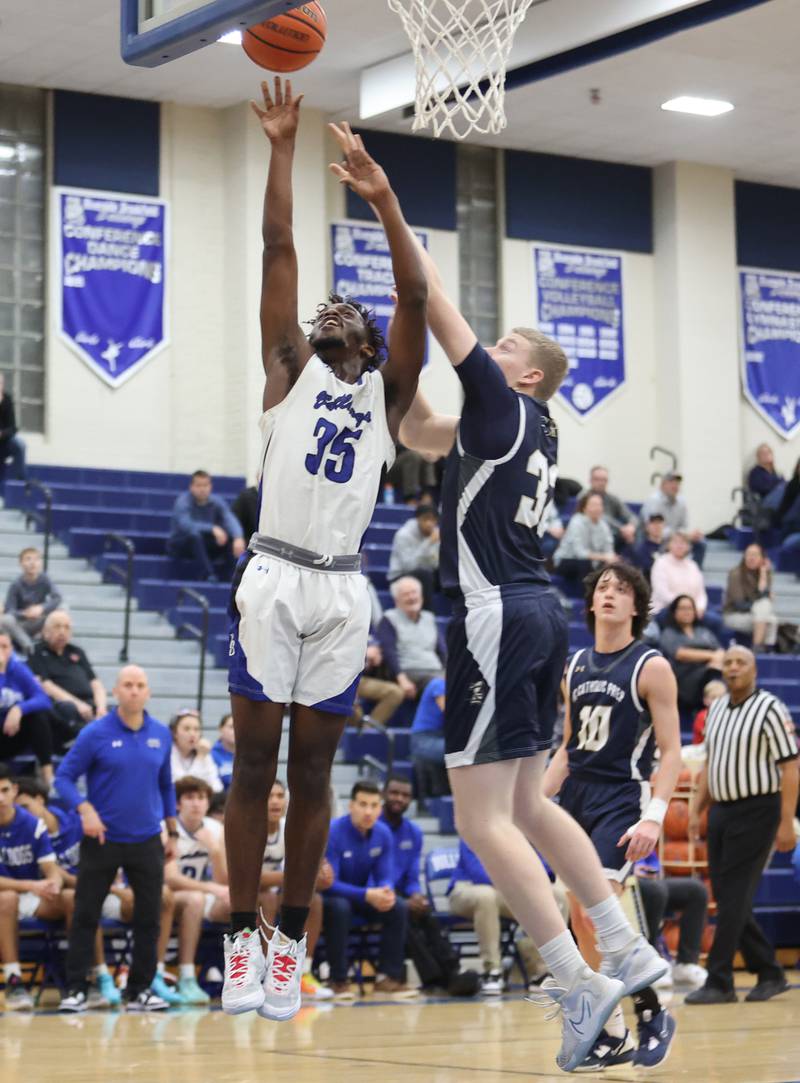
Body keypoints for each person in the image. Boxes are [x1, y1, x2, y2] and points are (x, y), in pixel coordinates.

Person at [397, 230, 664, 1074]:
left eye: (504, 345)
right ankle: (623, 944)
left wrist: (385, 205)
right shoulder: (523, 429)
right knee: (528, 807)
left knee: (482, 819)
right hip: (540, 611)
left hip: (493, 613)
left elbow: (437, 304)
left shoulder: (506, 402)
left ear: (527, 374)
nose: (492, 347)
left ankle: (575, 977)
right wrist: (377, 373)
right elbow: (416, 428)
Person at [222, 80, 427, 1024]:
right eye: (324, 306)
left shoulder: (387, 397)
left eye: (349, 306)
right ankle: (237, 939)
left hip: (344, 592)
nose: (332, 307)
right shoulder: (288, 368)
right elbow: (278, 250)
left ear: (371, 339)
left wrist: (383, 199)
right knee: (254, 767)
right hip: (274, 569)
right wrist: (280, 146)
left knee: (311, 776)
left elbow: (415, 289)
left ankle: (289, 943)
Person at [544, 563, 682, 1069]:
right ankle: (612, 1032)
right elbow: (567, 748)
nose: (609, 595)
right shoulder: (574, 665)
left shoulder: (652, 666)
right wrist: (531, 804)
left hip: (622, 797)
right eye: (602, 587)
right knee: (581, 918)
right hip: (576, 798)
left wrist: (655, 817)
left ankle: (653, 1012)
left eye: (621, 590)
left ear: (636, 607)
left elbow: (671, 752)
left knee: (597, 910)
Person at [55, 665, 177, 1013]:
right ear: (115, 691)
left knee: (149, 917)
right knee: (85, 914)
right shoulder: (95, 733)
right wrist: (84, 809)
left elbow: (166, 784)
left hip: (148, 840)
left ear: (148, 693)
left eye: (140, 685)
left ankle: (139, 990)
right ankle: (77, 989)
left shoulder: (160, 734)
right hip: (103, 839)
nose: (135, 691)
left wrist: (171, 830)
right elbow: (63, 779)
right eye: (128, 685)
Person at [686, 646, 798, 1004]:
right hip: (721, 811)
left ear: (754, 670)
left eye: (741, 663)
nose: (733, 668)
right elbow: (709, 765)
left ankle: (719, 980)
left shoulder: (770, 709)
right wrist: (694, 810)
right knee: (729, 896)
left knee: (734, 896)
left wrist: (786, 822)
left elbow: (791, 768)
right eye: (729, 663)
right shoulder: (715, 710)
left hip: (758, 810)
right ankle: (769, 971)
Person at [13, 775, 124, 1008]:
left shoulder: (77, 822)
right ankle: (95, 975)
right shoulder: (26, 831)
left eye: (25, 806)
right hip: (64, 895)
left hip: (102, 886)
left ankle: (152, 976)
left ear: (40, 799)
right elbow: (54, 878)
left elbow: (106, 860)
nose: (22, 813)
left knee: (157, 899)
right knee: (79, 899)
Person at [380, 775, 479, 997]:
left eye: (405, 795)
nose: (399, 799)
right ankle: (433, 979)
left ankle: (453, 971)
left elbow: (413, 875)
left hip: (401, 893)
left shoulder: (413, 832)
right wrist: (405, 900)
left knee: (427, 914)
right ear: (383, 795)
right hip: (377, 892)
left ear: (411, 800)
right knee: (404, 913)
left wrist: (416, 894)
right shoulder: (373, 826)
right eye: (394, 793)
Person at [322, 780, 416, 1000]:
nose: (368, 811)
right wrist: (367, 894)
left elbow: (385, 875)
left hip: (362, 897)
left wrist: (386, 891)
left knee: (398, 906)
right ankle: (338, 980)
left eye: (374, 806)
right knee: (340, 907)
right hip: (331, 899)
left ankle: (387, 978)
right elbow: (329, 884)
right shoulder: (334, 832)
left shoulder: (382, 833)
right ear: (351, 806)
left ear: (380, 809)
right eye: (363, 804)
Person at [447, 838, 569, 995]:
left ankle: (543, 971)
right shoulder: (474, 824)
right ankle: (492, 971)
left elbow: (546, 869)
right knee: (486, 896)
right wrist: (517, 881)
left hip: (511, 888)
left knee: (556, 895)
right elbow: (476, 872)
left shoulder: (520, 829)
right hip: (469, 887)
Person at [0, 763, 69, 1009]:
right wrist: (31, 884)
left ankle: (84, 979)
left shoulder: (32, 825)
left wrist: (53, 884)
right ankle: (13, 980)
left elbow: (52, 870)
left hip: (30, 896)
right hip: (7, 897)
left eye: (4, 790)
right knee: (6, 898)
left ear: (14, 790)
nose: (0, 798)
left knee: (72, 898)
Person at [259, 779, 333, 1002]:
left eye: (280, 796)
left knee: (315, 900)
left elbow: (318, 874)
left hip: (278, 893)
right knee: (268, 898)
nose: (275, 801)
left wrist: (321, 873)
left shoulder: (290, 827)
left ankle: (303, 971)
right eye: (269, 796)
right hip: (246, 897)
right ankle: (266, 972)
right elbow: (252, 878)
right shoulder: (249, 826)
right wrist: (302, 875)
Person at [161, 776, 229, 1005]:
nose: (196, 803)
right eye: (189, 798)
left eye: (201, 798)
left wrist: (216, 852)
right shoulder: (167, 828)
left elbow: (224, 881)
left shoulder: (216, 829)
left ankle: (239, 972)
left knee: (237, 904)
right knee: (195, 899)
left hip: (202, 895)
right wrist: (209, 887)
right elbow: (170, 878)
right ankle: (187, 975)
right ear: (178, 804)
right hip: (172, 896)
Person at [30, 610, 108, 746]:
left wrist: (101, 707)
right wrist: (78, 704)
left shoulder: (77, 651)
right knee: (68, 709)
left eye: (66, 627)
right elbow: (46, 686)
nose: (62, 631)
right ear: (45, 631)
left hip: (89, 704)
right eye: (57, 626)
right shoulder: (37, 651)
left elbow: (95, 683)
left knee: (118, 711)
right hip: (63, 706)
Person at [634, 851, 708, 990]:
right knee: (655, 891)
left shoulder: (638, 831)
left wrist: (654, 871)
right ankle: (650, 966)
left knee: (696, 890)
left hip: (647, 881)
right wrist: (631, 872)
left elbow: (651, 859)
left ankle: (686, 964)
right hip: (617, 880)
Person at [167, 470, 245, 582]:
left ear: (210, 486)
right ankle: (208, 575)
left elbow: (229, 519)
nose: (202, 489)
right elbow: (186, 525)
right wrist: (212, 528)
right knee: (194, 535)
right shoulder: (182, 502)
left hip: (203, 545)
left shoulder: (217, 502)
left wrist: (238, 537)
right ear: (191, 487)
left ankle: (233, 577)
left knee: (229, 538)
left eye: (205, 485)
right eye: (198, 485)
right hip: (181, 545)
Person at [375, 576, 445, 700]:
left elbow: (442, 651)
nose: (411, 597)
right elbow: (389, 652)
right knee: (440, 685)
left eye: (414, 593)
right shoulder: (389, 619)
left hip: (436, 670)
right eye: (406, 594)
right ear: (396, 600)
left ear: (421, 596)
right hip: (409, 671)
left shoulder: (429, 618)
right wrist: (402, 679)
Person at [0, 630, 54, 786]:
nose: (1, 651)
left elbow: (43, 699)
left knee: (38, 717)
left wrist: (18, 709)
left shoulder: (18, 669)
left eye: (5, 646)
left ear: (11, 649)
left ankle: (48, 779)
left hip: (11, 734)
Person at [659, 596, 724, 713]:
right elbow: (680, 654)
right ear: (674, 612)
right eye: (682, 608)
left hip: (708, 672)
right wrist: (711, 656)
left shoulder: (703, 631)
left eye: (690, 608)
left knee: (720, 666)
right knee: (714, 667)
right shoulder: (669, 633)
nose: (687, 612)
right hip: (683, 679)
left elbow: (720, 652)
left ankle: (715, 704)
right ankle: (715, 707)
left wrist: (715, 657)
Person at [640, 473, 705, 566]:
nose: (675, 486)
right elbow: (654, 529)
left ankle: (693, 574)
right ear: (662, 485)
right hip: (656, 539)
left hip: (674, 538)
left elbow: (684, 526)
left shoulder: (682, 502)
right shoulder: (653, 501)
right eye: (671, 482)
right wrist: (679, 535)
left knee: (701, 543)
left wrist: (688, 535)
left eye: (677, 483)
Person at [722, 544, 779, 650]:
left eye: (755, 555)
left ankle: (767, 653)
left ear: (763, 559)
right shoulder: (736, 574)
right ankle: (757, 651)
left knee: (772, 621)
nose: (751, 558)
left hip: (755, 616)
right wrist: (763, 597)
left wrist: (763, 575)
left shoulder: (765, 574)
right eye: (748, 554)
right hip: (734, 615)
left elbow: (765, 597)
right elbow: (740, 605)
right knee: (764, 605)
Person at [552, 491, 617, 581]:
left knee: (618, 564)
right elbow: (580, 553)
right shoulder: (576, 522)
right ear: (584, 508)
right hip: (566, 560)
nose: (598, 508)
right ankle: (585, 594)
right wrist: (604, 557)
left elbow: (608, 550)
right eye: (594, 505)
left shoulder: (603, 524)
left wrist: (611, 558)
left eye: (600, 505)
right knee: (585, 564)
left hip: (592, 562)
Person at [387, 503, 440, 607]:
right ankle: (427, 614)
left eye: (433, 520)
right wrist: (428, 543)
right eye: (426, 519)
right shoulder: (403, 535)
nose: (430, 523)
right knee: (425, 575)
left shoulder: (435, 534)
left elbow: (435, 564)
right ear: (418, 519)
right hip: (400, 576)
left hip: (426, 574)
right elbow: (408, 566)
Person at [5, 547, 62, 642]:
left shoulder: (45, 579)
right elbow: (9, 610)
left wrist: (41, 608)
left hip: (40, 619)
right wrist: (25, 614)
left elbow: (57, 598)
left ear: (40, 563)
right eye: (28, 559)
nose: (32, 563)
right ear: (21, 564)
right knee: (6, 620)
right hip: (21, 623)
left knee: (62, 610)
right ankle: (28, 645)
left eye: (36, 559)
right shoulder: (15, 584)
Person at [409, 675, 449, 810]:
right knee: (461, 751)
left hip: (438, 738)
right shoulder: (438, 684)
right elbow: (450, 714)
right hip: (423, 740)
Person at [650, 532, 708, 618]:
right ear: (669, 545)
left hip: (692, 611)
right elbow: (662, 593)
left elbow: (701, 593)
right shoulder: (660, 563)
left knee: (715, 621)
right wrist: (684, 608)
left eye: (683, 543)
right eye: (676, 542)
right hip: (665, 609)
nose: (679, 546)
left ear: (689, 547)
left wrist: (700, 607)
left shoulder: (693, 566)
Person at [351, 641, 404, 728]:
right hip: (343, 678)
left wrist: (375, 656)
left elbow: (380, 651)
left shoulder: (373, 631)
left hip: (361, 678)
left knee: (395, 692)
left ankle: (368, 729)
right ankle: (361, 731)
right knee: (350, 697)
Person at [582, 466, 638, 548]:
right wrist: (622, 528)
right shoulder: (584, 498)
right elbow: (601, 518)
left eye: (604, 480)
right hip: (592, 535)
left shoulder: (612, 499)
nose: (601, 483)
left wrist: (631, 526)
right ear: (590, 481)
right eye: (597, 479)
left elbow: (631, 516)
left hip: (616, 534)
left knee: (638, 532)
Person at [170, 708, 223, 793]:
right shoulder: (168, 753)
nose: (192, 734)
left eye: (196, 729)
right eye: (186, 729)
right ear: (174, 733)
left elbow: (217, 787)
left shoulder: (203, 753)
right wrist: (199, 758)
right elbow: (183, 787)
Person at [0, 374, 27, 490]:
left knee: (20, 444)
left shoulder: (7, 400)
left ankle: (18, 478)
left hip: (4, 441)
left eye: (0, 383)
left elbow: (13, 427)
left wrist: (2, 434)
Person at [747, 443, 785, 510]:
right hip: (765, 502)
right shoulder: (755, 472)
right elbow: (760, 488)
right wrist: (777, 485)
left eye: (768, 452)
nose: (766, 455)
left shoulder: (776, 472)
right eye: (763, 453)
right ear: (758, 457)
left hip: (780, 499)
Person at [629, 514, 665, 581]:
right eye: (653, 523)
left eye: (659, 523)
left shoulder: (667, 548)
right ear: (647, 527)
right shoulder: (641, 549)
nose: (657, 526)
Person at [691, 679, 726, 744]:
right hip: (700, 748)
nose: (717, 701)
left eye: (721, 698)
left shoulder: (725, 715)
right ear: (705, 700)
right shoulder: (702, 715)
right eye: (713, 698)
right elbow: (706, 733)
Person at [210, 712, 235, 789]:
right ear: (220, 729)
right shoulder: (211, 755)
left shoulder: (249, 756)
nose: (236, 731)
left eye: (240, 727)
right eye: (232, 727)